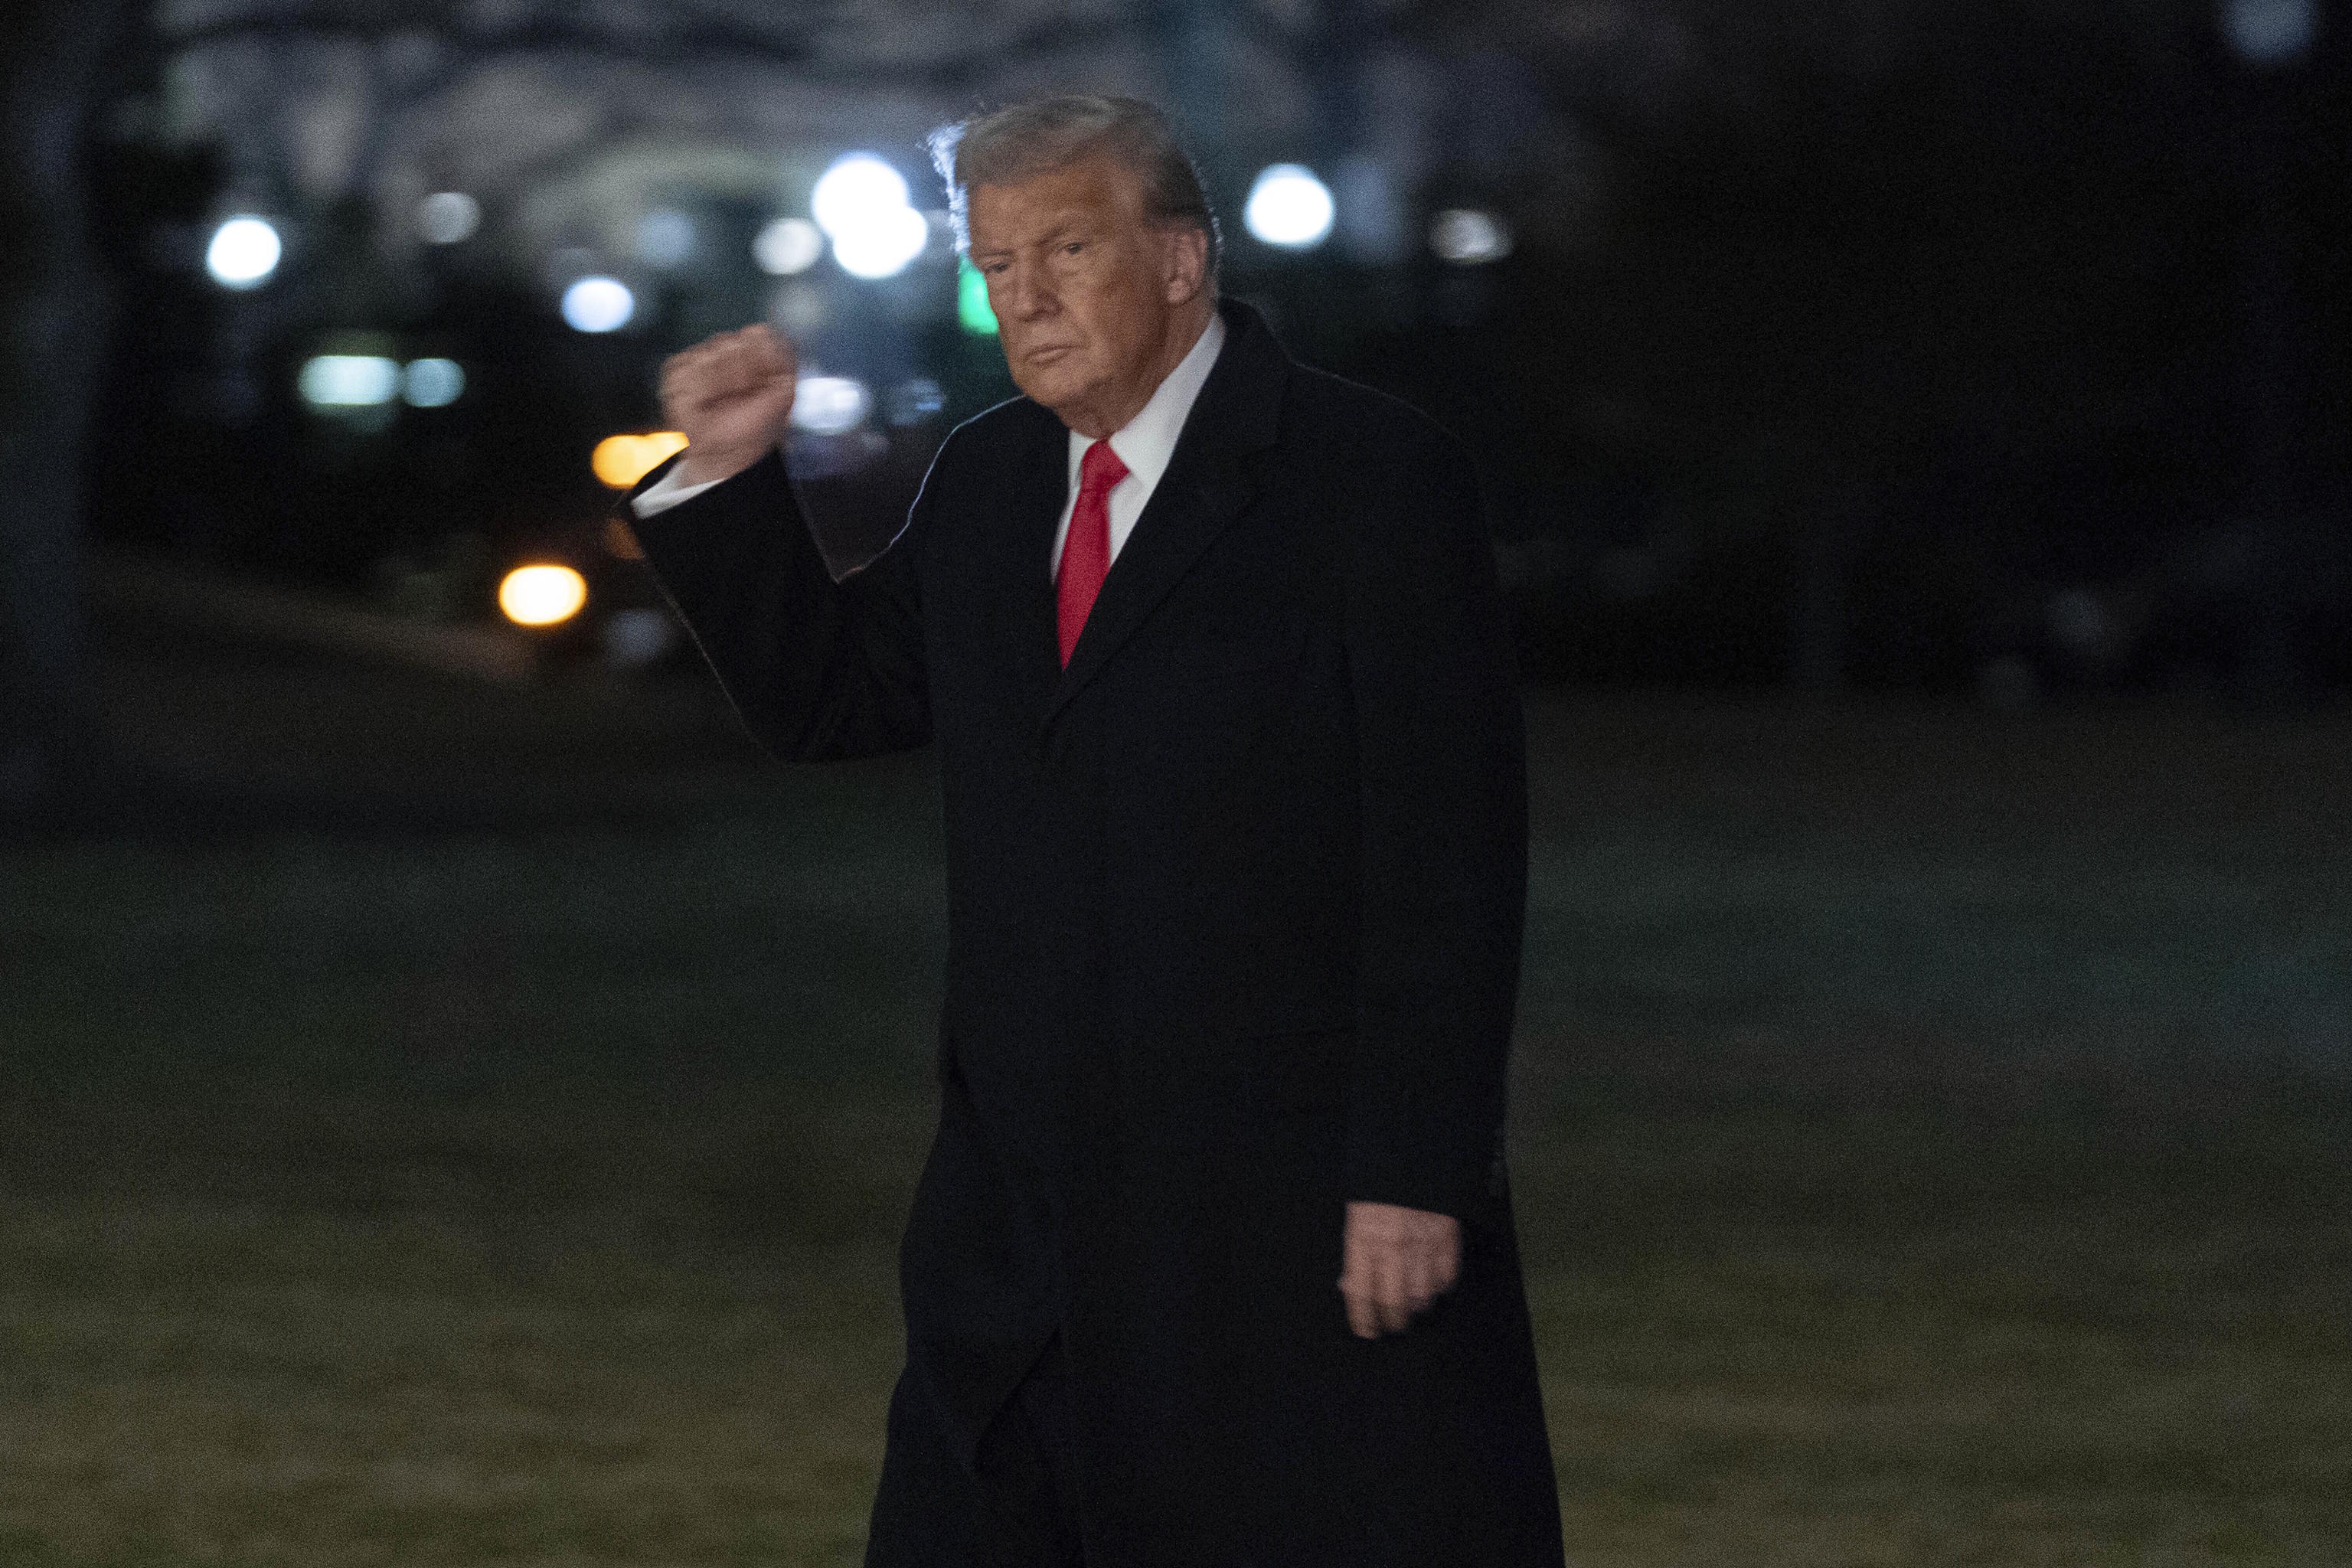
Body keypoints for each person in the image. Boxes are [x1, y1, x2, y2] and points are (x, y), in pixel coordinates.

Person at [626, 94, 1562, 1567]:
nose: (1028, 297)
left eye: (1067, 246)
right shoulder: (995, 479)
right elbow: (833, 703)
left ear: (1182, 259)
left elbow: (1448, 853)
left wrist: (1414, 1167)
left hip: (1282, 1220)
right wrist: (735, 480)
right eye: (998, 264)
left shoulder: (1367, 480)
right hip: (1023, 1229)